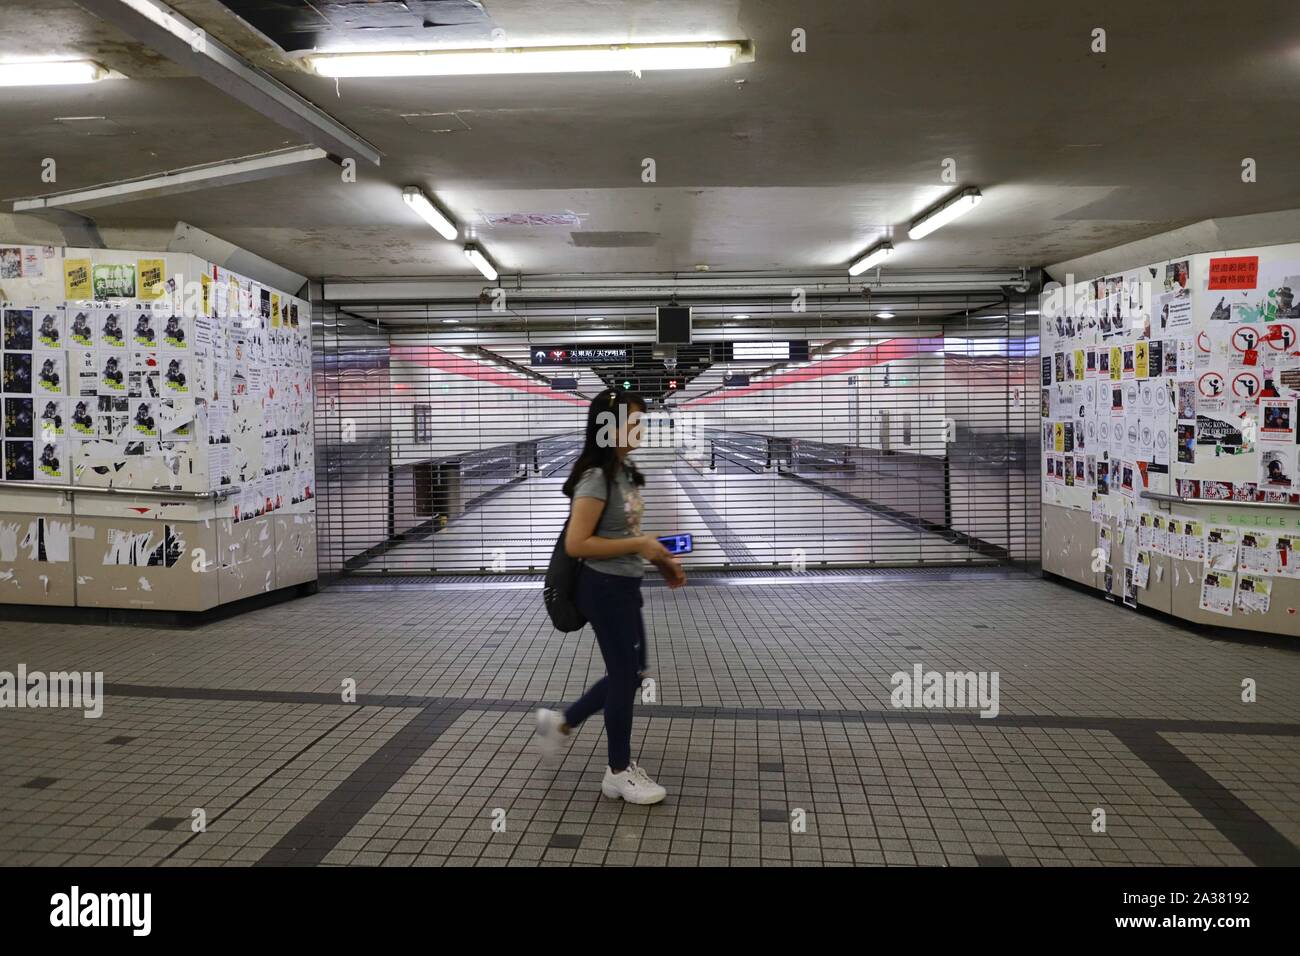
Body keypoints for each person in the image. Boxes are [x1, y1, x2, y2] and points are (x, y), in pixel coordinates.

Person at [534, 388, 686, 805]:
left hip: (623, 585)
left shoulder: (624, 470)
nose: (640, 430)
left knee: (632, 671)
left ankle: (562, 723)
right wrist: (644, 546)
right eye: (632, 422)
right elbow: (579, 543)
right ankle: (618, 771)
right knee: (625, 675)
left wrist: (656, 556)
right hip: (603, 588)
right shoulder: (596, 478)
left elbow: (624, 533)